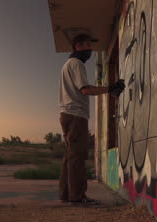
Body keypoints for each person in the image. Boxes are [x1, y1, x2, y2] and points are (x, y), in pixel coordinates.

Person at [59, 33, 125, 204]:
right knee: (77, 157)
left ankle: (66, 195)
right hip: (75, 115)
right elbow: (86, 90)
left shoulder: (68, 64)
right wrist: (110, 88)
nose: (90, 49)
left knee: (70, 157)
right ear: (78, 46)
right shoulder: (76, 64)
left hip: (68, 114)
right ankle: (77, 197)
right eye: (87, 45)